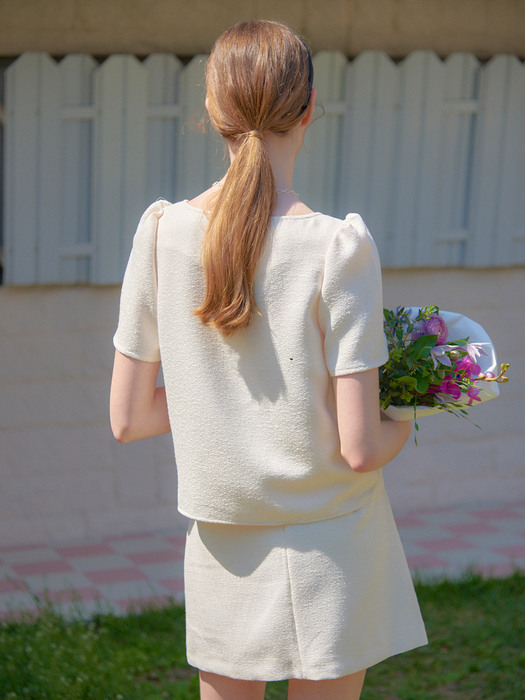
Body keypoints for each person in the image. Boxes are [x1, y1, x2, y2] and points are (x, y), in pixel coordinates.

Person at [110, 20, 427, 700]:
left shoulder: (161, 232)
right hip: (334, 546)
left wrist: (208, 393)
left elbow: (129, 418)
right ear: (309, 106)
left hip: (222, 544)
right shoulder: (338, 247)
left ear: (211, 110)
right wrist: (410, 414)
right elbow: (361, 448)